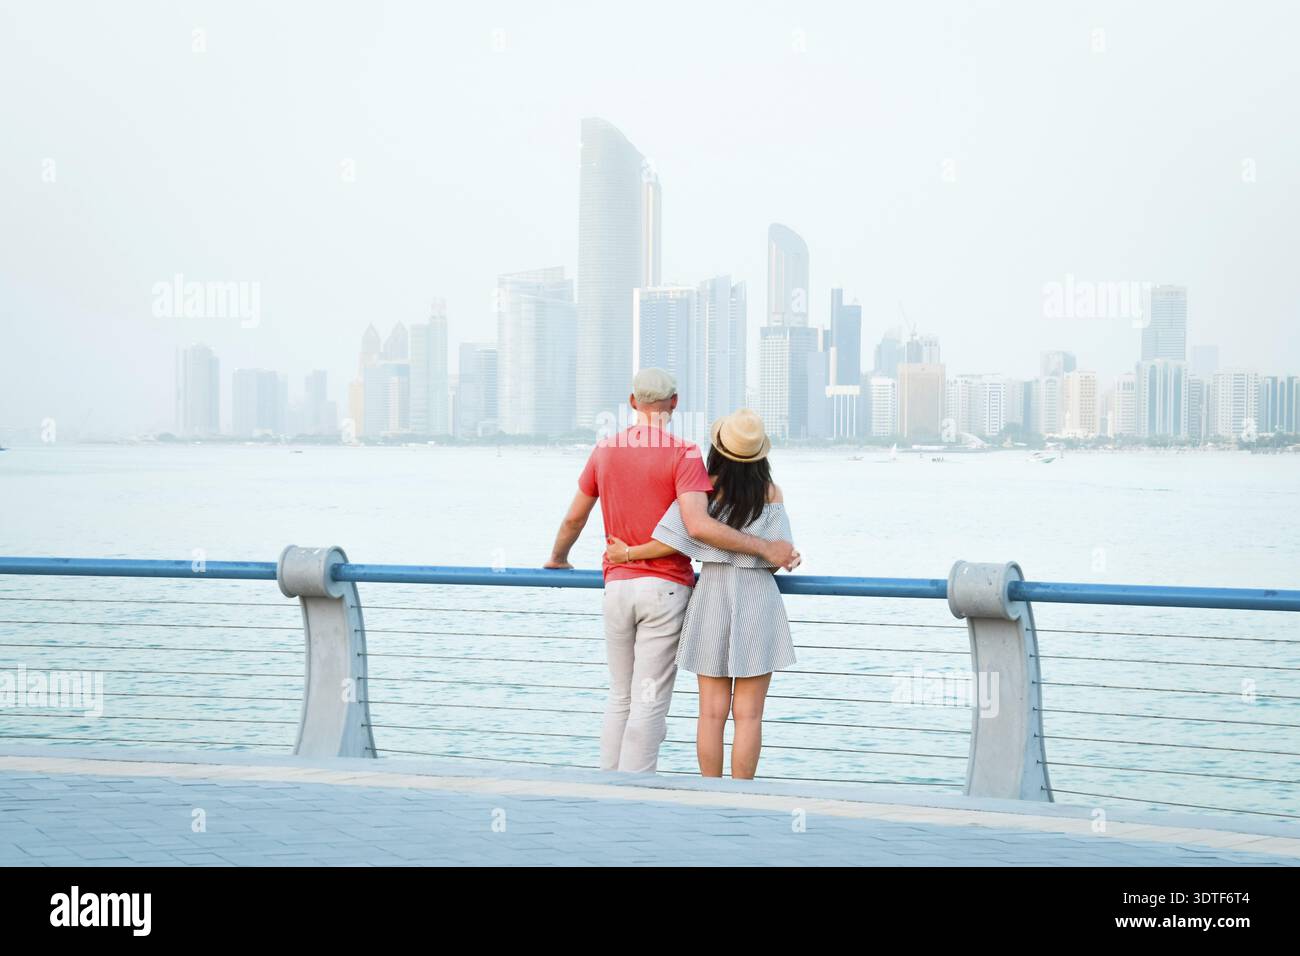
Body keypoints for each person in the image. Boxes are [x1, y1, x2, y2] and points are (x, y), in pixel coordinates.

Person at [544, 370, 797, 774]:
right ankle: (722, 796)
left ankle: (623, 786)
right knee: (728, 712)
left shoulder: (618, 454)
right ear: (674, 402)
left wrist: (579, 556)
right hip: (710, 595)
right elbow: (715, 534)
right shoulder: (696, 460)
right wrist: (771, 550)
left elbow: (583, 520)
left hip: (656, 590)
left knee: (647, 702)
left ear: (632, 401)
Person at [604, 408, 796, 780]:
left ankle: (711, 792)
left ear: (719, 448)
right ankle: (743, 795)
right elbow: (777, 555)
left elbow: (669, 540)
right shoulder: (771, 493)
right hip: (758, 599)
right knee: (750, 714)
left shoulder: (704, 490)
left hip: (710, 597)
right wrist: (776, 554)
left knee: (710, 712)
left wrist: (626, 553)